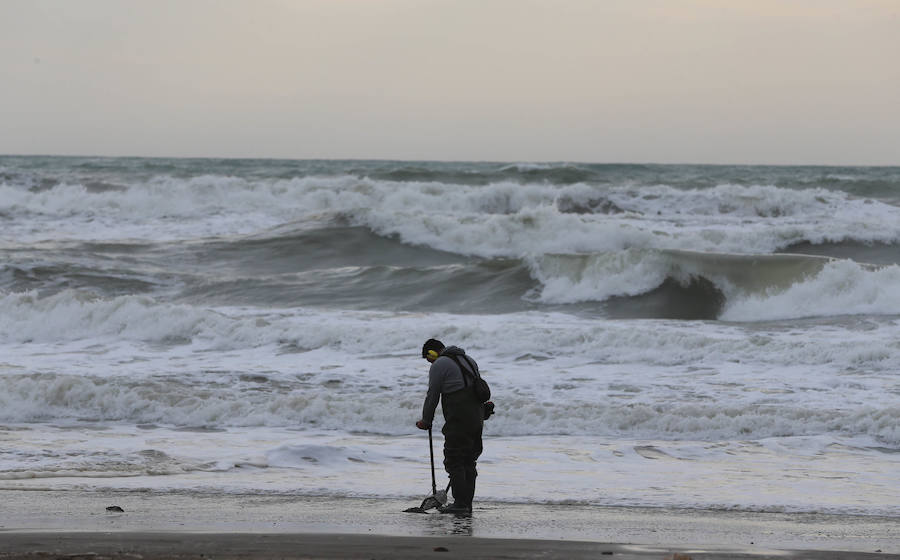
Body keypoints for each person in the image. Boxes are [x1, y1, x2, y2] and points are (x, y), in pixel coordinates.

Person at [415, 338, 483, 515]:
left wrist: (426, 420)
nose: (430, 363)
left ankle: (460, 504)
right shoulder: (469, 360)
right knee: (469, 461)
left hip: (460, 417)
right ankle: (466, 504)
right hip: (477, 416)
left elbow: (432, 395)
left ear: (432, 353)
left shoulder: (440, 364)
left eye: (429, 359)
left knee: (454, 459)